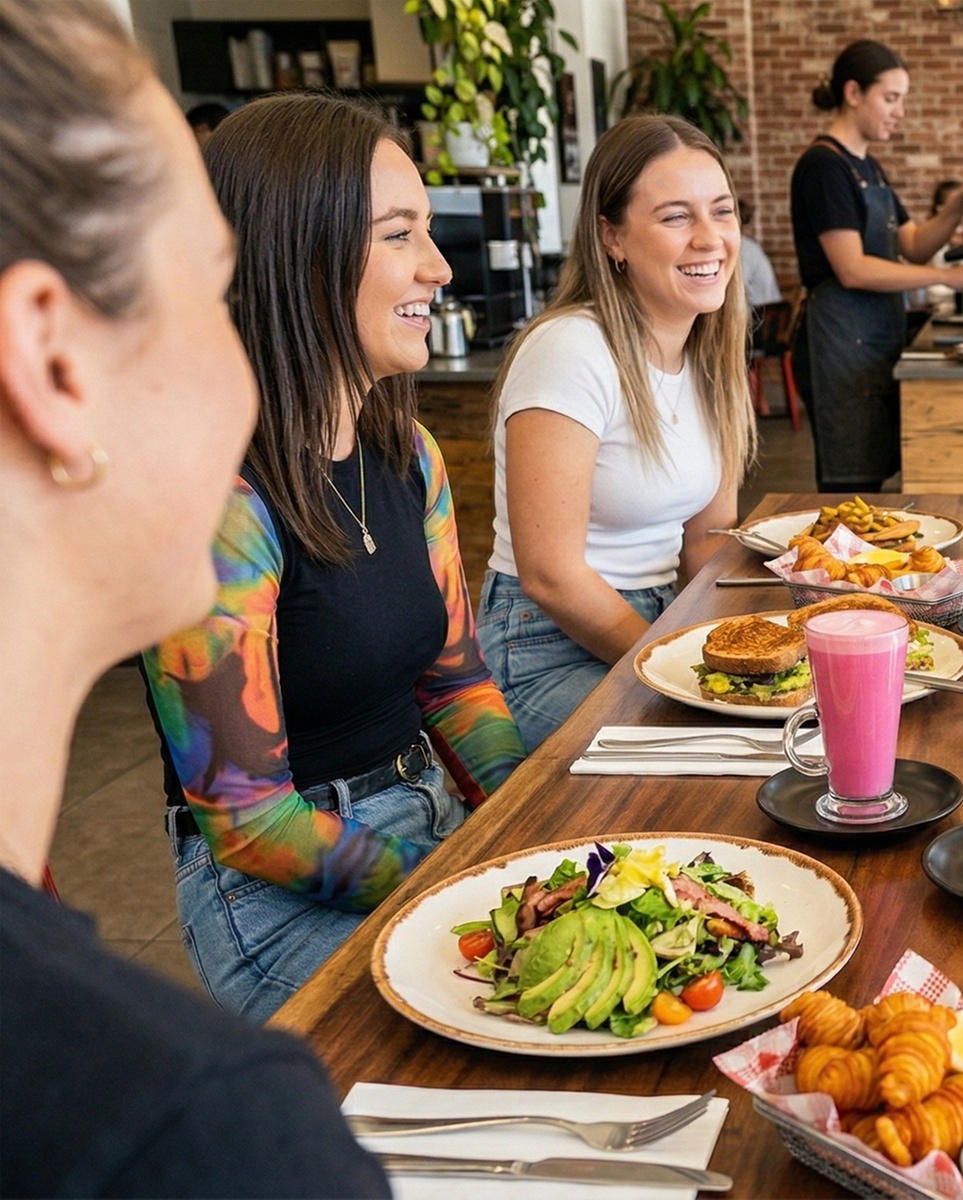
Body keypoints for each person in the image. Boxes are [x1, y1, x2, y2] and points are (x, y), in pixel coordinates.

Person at [0, 2, 387, 1193]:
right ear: (54, 363)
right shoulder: (200, 1133)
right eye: (217, 301)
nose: (247, 374)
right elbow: (247, 814)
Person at [142, 93, 526, 1023]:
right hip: (275, 896)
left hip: (428, 819)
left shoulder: (409, 454)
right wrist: (458, 890)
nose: (438, 267)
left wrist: (535, 829)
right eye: (399, 235)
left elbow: (457, 686)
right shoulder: (217, 502)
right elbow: (248, 822)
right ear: (296, 256)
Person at [479, 115, 758, 751]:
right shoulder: (571, 348)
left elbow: (705, 544)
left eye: (722, 211)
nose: (710, 238)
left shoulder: (711, 353)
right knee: (722, 754)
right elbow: (550, 575)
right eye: (676, 217)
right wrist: (679, 671)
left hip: (661, 620)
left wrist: (747, 650)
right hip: (544, 644)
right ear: (612, 237)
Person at [789, 39, 963, 491]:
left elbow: (915, 244)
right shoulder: (824, 167)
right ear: (853, 93)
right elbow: (853, 268)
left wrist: (960, 200)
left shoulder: (869, 168)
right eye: (891, 98)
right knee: (852, 486)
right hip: (838, 341)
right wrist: (947, 276)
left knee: (876, 480)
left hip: (871, 339)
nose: (900, 111)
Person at [737, 198, 783, 308]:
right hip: (767, 309)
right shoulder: (749, 246)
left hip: (760, 312)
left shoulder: (744, 248)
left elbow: (739, 286)